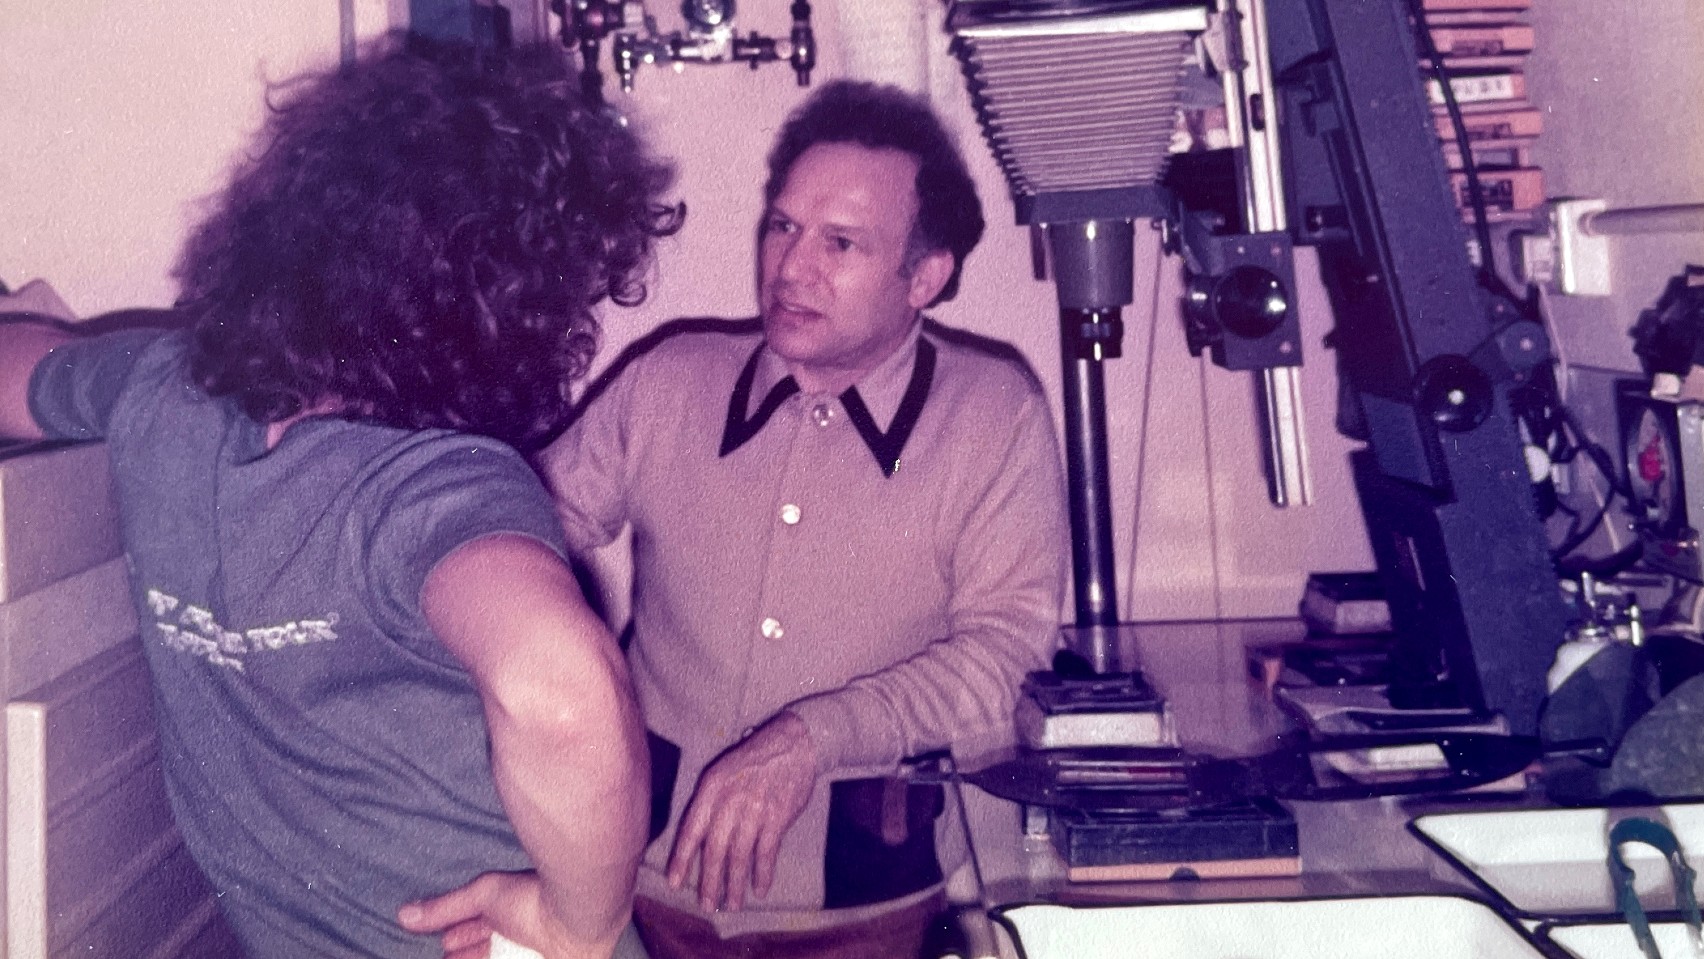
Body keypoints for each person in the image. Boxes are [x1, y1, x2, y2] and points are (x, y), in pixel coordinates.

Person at [0, 37, 681, 959]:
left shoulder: (161, 395)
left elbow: (21, 366)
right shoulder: (434, 487)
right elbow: (560, 689)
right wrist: (583, 921)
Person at [540, 80, 1068, 958]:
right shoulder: (672, 379)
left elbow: (1003, 662)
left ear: (924, 277)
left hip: (867, 913)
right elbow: (524, 533)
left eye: (841, 243)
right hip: (637, 893)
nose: (792, 266)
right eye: (783, 225)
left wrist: (814, 738)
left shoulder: (992, 413)